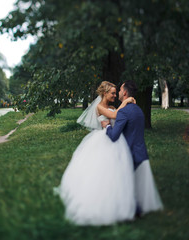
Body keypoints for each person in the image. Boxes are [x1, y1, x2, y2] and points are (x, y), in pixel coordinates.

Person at [54, 81, 137, 226]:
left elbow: (117, 117)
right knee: (99, 171)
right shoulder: (99, 107)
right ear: (104, 93)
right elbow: (116, 114)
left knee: (114, 172)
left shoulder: (111, 106)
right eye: (112, 93)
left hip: (114, 139)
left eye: (115, 92)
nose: (114, 95)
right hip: (102, 140)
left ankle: (114, 200)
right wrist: (127, 101)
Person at [102, 80, 163, 216]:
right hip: (140, 152)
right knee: (128, 182)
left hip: (129, 153)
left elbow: (113, 136)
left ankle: (133, 210)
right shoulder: (138, 110)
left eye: (119, 90)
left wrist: (106, 126)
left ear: (124, 92)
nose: (117, 92)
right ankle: (132, 209)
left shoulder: (123, 112)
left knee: (122, 183)